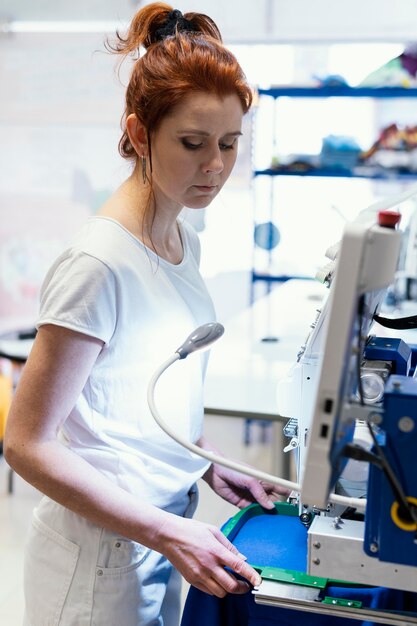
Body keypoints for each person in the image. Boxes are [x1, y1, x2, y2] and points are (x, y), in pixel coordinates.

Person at [4, 4, 287, 625]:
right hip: (97, 557)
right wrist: (164, 532)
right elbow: (27, 444)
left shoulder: (185, 242)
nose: (215, 165)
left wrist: (205, 460)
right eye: (192, 143)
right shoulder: (99, 263)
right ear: (138, 133)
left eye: (230, 143)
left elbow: (131, 392)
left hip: (159, 530)